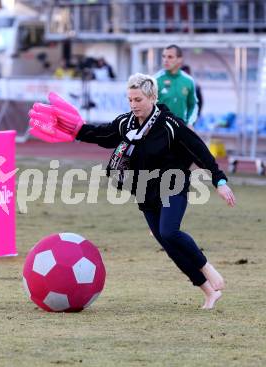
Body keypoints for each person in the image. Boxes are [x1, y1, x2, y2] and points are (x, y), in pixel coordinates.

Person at [28, 73, 236, 310]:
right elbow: (103, 135)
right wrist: (76, 129)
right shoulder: (126, 123)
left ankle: (208, 268)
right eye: (130, 100)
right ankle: (209, 292)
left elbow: (201, 152)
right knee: (168, 245)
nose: (133, 105)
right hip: (145, 191)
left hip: (173, 185)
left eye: (138, 99)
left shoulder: (171, 125)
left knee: (169, 232)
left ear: (152, 98)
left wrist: (219, 181)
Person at [155, 45, 198, 127]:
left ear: (179, 59)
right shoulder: (155, 80)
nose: (165, 60)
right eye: (163, 56)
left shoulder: (188, 81)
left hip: (181, 130)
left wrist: (189, 123)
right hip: (160, 130)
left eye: (170, 57)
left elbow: (193, 105)